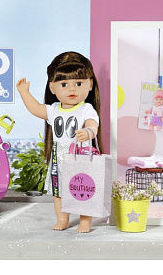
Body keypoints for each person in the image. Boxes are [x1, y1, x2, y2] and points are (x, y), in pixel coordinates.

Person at [16, 51, 103, 233]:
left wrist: (88, 132)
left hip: (80, 157)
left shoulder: (86, 109)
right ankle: (62, 219)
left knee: (84, 188)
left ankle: (85, 221)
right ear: (53, 88)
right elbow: (36, 109)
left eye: (78, 84)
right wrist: (24, 92)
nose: (72, 89)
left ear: (90, 84)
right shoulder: (54, 109)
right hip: (59, 159)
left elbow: (93, 124)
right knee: (58, 191)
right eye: (64, 84)